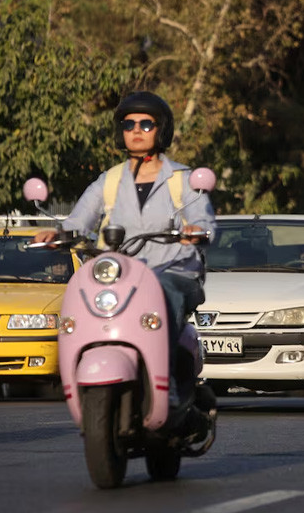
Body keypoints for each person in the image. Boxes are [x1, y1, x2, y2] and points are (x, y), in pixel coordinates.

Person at [33, 91, 215, 406]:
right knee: (83, 294)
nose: (136, 130)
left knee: (164, 291)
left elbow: (203, 218)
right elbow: (79, 220)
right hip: (121, 274)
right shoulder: (109, 180)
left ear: (161, 130)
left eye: (146, 124)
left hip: (173, 271)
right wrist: (60, 233)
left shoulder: (182, 179)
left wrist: (196, 230)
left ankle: (169, 382)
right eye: (129, 124)